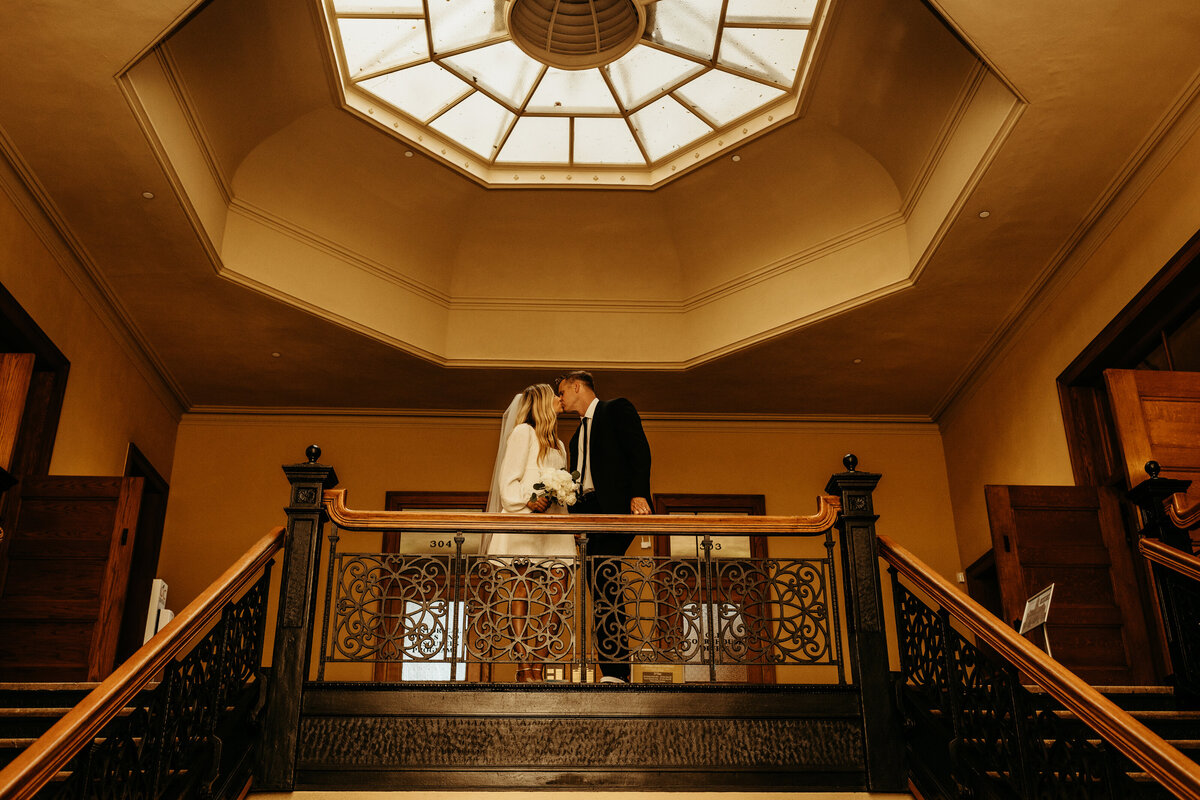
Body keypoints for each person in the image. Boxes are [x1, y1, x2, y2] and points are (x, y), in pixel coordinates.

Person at [556, 370, 652, 683]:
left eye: (562, 392)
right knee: (598, 587)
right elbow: (575, 481)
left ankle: (616, 672)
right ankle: (612, 669)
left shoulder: (616, 409)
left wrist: (638, 493)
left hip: (615, 510)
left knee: (605, 579)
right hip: (587, 515)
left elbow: (639, 451)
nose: (561, 399)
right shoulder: (574, 437)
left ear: (576, 386)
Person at [485, 383, 576, 682]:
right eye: (555, 395)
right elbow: (507, 481)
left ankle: (540, 660)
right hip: (522, 522)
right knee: (519, 590)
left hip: (552, 525)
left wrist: (559, 494)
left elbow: (562, 482)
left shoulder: (560, 446)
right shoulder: (523, 433)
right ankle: (524, 666)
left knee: (557, 593)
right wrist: (527, 500)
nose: (560, 399)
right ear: (541, 402)